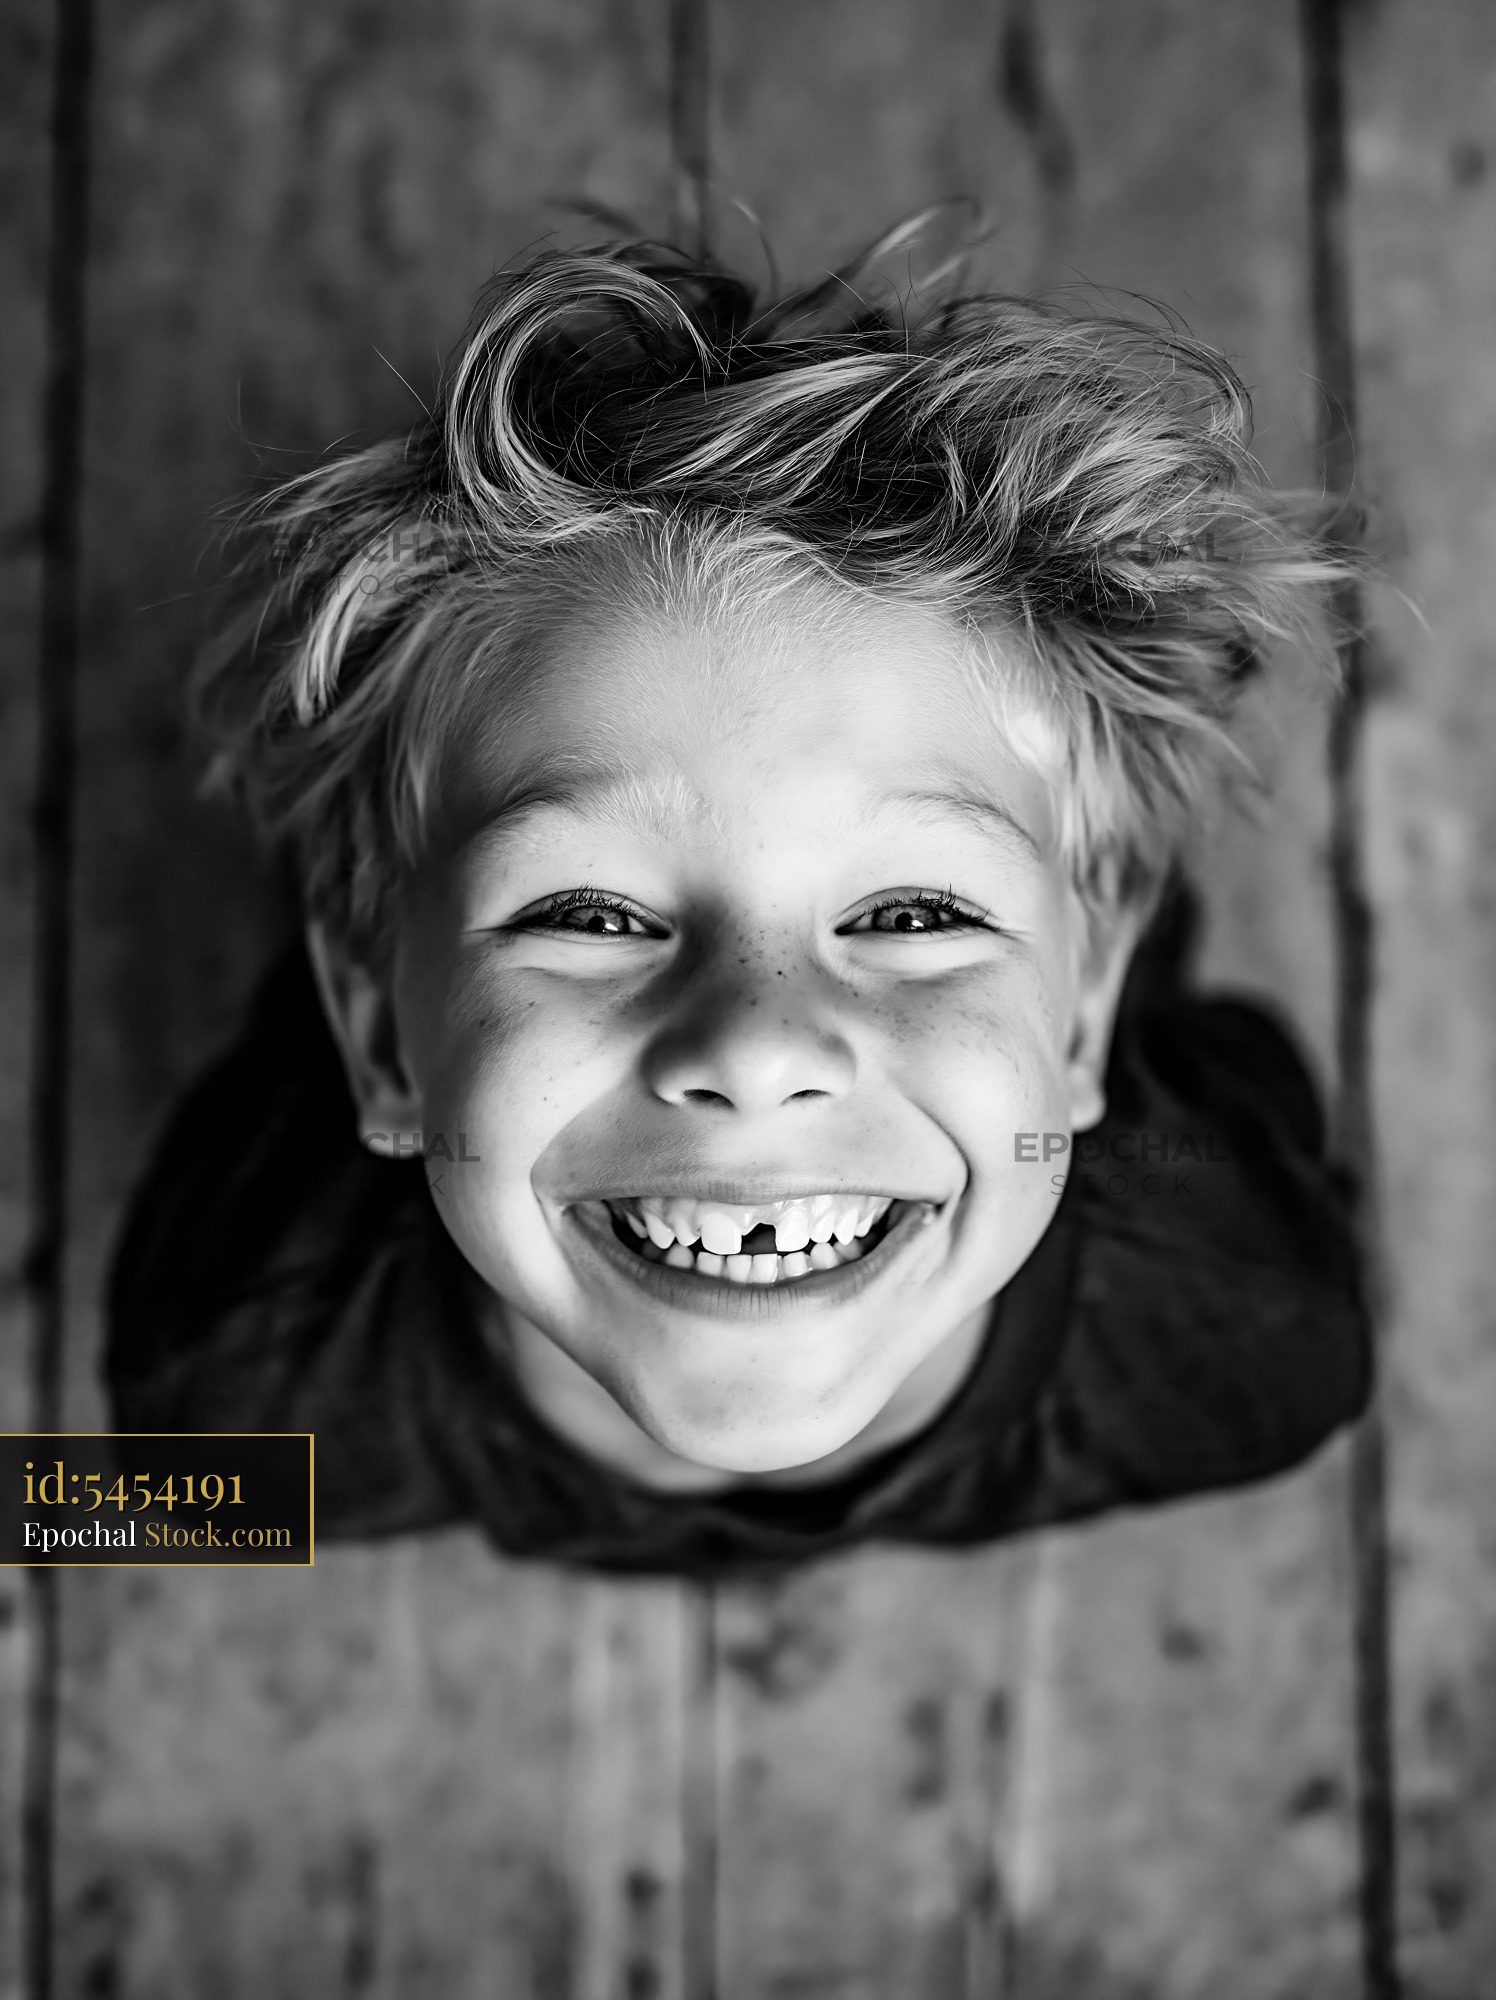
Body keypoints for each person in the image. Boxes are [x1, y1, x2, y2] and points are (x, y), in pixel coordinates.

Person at [106, 233, 1371, 1575]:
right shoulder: (216, 1424)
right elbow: (69, 1518)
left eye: (910, 913)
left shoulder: (1256, 1355)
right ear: (364, 1027)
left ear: (1088, 1018)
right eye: (589, 914)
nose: (757, 1052)